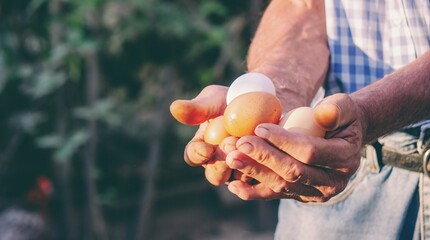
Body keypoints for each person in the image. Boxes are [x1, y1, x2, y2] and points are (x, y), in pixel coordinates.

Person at [170, 0, 430, 239]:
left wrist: (369, 114)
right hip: (334, 163)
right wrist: (280, 91)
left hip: (345, 143)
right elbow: (302, 5)